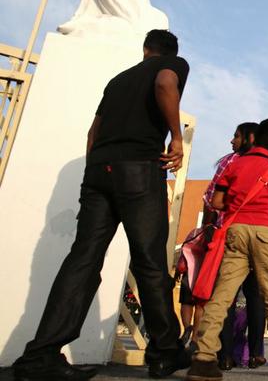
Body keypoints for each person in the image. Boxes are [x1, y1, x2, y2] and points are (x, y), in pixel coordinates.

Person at [13, 29, 189, 381]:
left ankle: (40, 356)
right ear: (168, 52)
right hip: (138, 170)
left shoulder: (118, 80)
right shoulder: (174, 64)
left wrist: (93, 177)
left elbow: (92, 134)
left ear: (145, 49)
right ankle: (165, 353)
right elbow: (165, 83)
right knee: (150, 263)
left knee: (83, 259)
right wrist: (176, 136)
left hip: (98, 171)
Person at [186, 118, 268, 380]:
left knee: (222, 295)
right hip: (267, 233)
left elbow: (217, 201)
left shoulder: (234, 165)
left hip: (236, 231)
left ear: (255, 137)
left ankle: (203, 357)